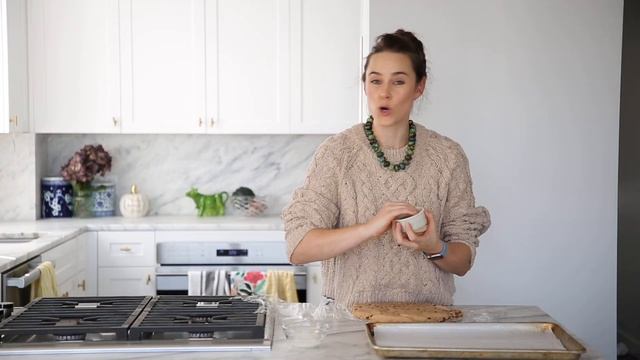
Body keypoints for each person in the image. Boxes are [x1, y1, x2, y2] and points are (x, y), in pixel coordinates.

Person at [282, 29, 491, 308]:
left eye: (399, 82)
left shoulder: (448, 157)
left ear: (419, 87)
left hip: (427, 324)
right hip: (350, 326)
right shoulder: (338, 153)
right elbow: (298, 247)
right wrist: (370, 228)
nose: (384, 93)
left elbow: (463, 261)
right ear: (365, 85)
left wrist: (433, 246)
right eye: (375, 80)